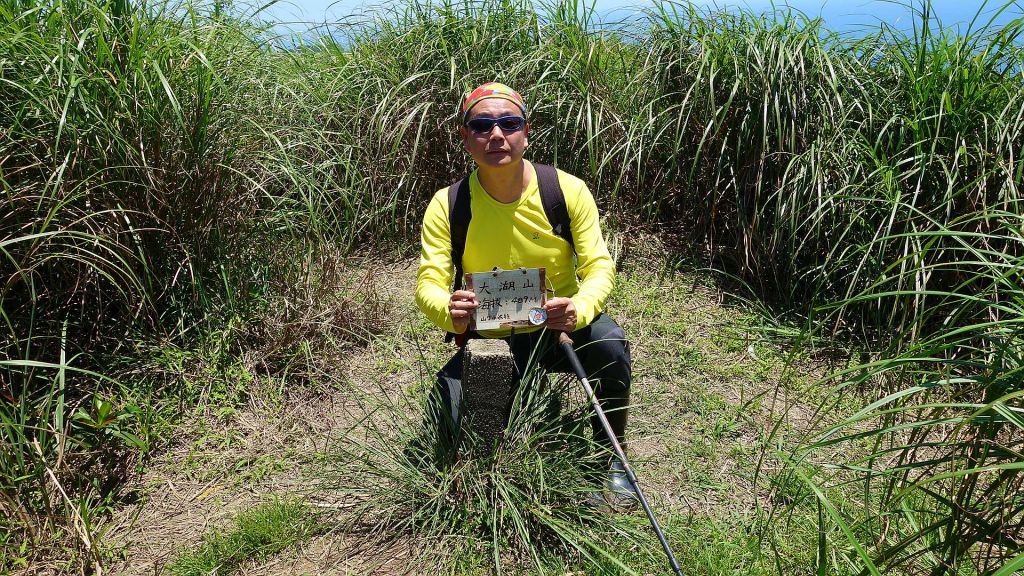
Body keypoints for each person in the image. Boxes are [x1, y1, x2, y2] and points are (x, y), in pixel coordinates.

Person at [415, 82, 636, 507]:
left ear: (525, 131)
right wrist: (449, 310)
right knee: (447, 417)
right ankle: (504, 424)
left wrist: (579, 308)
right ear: (465, 138)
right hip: (491, 338)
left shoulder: (566, 190)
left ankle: (612, 458)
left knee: (610, 345)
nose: (496, 135)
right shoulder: (448, 204)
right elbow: (429, 282)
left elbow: (599, 266)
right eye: (481, 126)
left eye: (508, 123)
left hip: (559, 330)